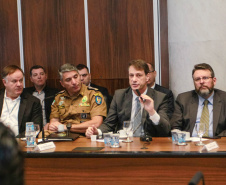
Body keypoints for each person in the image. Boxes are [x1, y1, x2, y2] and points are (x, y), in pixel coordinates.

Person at [86, 59, 170, 138]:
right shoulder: (119, 96)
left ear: (147, 77)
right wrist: (97, 131)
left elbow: (166, 130)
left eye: (139, 75)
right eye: (131, 75)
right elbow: (109, 124)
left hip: (149, 145)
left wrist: (152, 112)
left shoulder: (160, 98)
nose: (134, 79)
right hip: (125, 144)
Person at [171, 63, 226, 137]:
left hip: (217, 144)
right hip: (190, 144)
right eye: (197, 79)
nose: (201, 82)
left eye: (205, 78)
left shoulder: (224, 98)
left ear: (214, 81)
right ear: (194, 82)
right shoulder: (183, 99)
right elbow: (175, 126)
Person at [49, 63, 107, 133]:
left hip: (85, 135)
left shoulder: (93, 94)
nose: (74, 82)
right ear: (62, 84)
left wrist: (66, 127)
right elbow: (54, 123)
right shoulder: (58, 98)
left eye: (75, 77)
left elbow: (96, 123)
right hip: (62, 135)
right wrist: (55, 126)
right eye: (68, 80)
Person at [0, 65, 42, 136]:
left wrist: (15, 142)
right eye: (14, 81)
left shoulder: (33, 102)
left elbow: (35, 128)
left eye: (21, 80)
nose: (19, 84)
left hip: (20, 143)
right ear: (4, 82)